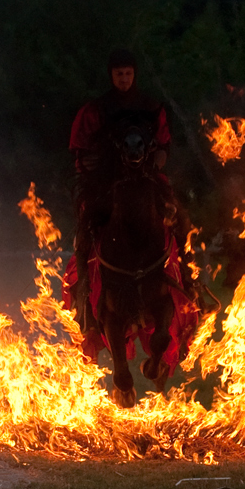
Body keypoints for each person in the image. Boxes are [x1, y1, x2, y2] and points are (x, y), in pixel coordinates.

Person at [66, 50, 199, 334]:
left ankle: (188, 279)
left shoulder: (151, 107)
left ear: (134, 75)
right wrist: (91, 164)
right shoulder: (97, 110)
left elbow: (163, 145)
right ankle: (85, 293)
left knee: (179, 218)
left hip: (147, 178)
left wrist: (155, 163)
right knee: (86, 223)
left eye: (128, 74)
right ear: (111, 76)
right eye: (119, 74)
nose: (124, 79)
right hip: (107, 180)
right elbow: (81, 150)